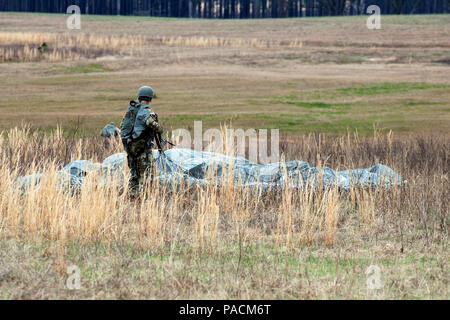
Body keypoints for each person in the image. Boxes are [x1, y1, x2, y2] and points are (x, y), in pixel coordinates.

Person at [120, 86, 163, 197]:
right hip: (143, 150)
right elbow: (153, 125)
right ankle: (144, 199)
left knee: (134, 174)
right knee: (147, 175)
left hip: (131, 149)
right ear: (150, 98)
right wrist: (158, 127)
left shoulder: (131, 110)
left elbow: (123, 126)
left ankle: (131, 198)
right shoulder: (145, 111)